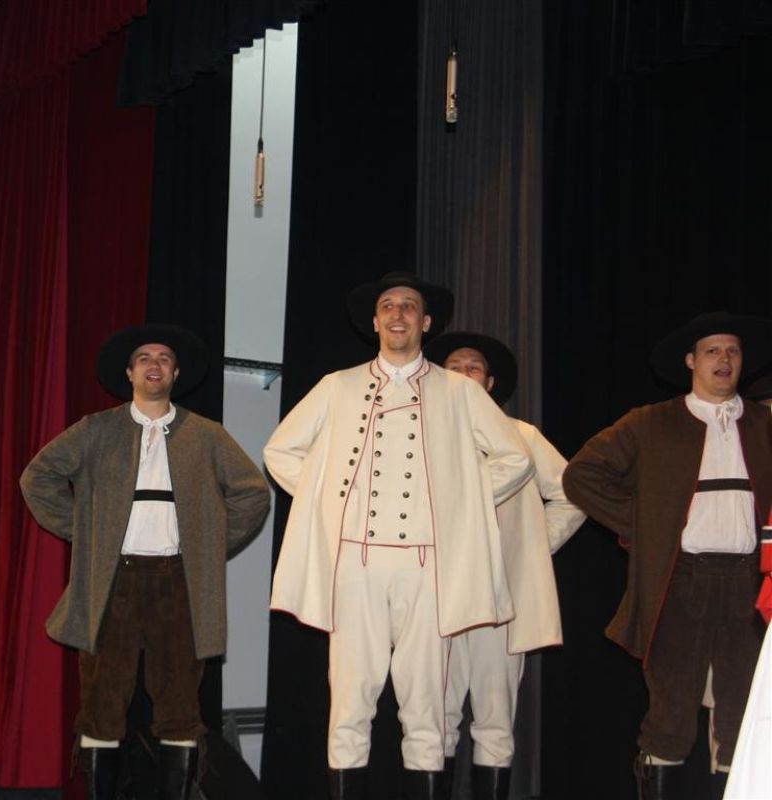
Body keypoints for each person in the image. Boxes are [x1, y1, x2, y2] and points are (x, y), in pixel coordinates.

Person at [263, 272, 534, 800]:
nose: (397, 314)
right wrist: (325, 503)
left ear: (425, 322)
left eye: (409, 306)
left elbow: (514, 458)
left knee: (426, 709)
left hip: (428, 568)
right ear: (374, 322)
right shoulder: (337, 386)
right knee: (349, 705)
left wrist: (462, 505)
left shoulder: (460, 391)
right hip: (354, 565)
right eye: (388, 306)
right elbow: (280, 451)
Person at [19, 323, 270, 800]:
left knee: (180, 705)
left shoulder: (207, 435)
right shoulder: (97, 430)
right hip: (112, 583)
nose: (154, 365)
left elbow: (253, 494)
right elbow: (38, 477)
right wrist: (86, 532)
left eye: (164, 359)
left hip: (178, 584)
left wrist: (208, 545)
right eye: (144, 358)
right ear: (130, 373)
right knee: (101, 702)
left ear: (175, 374)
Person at [562, 312, 772, 800]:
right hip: (680, 581)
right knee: (671, 714)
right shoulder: (650, 422)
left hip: (749, 584)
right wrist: (646, 525)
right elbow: (581, 476)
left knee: (744, 711)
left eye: (733, 351)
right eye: (712, 351)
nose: (724, 360)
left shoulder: (764, 423)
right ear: (691, 361)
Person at [425, 332, 585, 800]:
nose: (463, 374)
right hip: (435, 594)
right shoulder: (419, 440)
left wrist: (532, 548)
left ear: (490, 382)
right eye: (454, 366)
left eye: (473, 367)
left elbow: (573, 494)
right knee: (433, 720)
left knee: (495, 720)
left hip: (501, 596)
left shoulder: (522, 436)